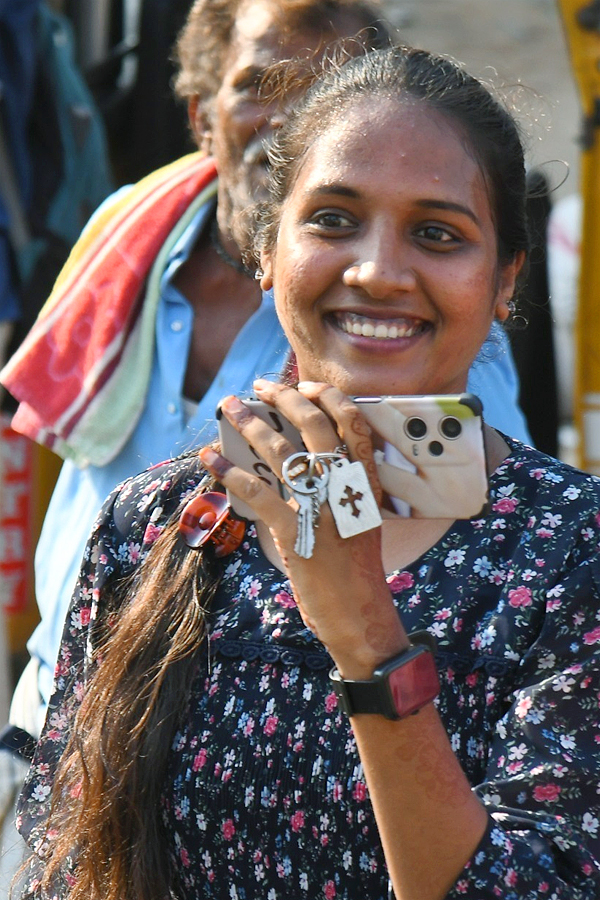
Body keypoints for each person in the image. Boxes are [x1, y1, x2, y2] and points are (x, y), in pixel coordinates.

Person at [16, 44, 600, 900]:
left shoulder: (573, 553)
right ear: (266, 250)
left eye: (438, 234)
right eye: (332, 219)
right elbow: (68, 860)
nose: (376, 271)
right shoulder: (153, 523)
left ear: (506, 278)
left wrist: (365, 627)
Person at [0, 0, 531, 734]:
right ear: (200, 112)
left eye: (325, 88)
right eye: (259, 84)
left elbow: (478, 563)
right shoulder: (126, 236)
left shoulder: (397, 331)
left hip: (279, 749)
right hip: (54, 717)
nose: (290, 116)